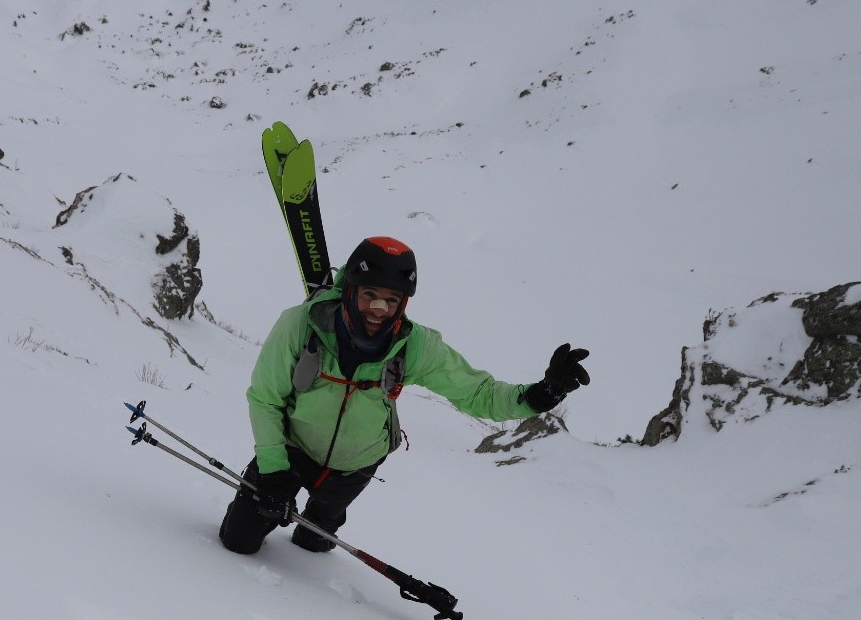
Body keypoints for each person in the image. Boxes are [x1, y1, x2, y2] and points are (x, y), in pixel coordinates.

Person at [218, 236, 590, 555]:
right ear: (350, 291)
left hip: (355, 464)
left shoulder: (414, 346)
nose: (379, 310)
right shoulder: (300, 324)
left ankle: (319, 532)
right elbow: (265, 398)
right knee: (238, 541)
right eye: (369, 295)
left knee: (314, 545)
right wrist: (271, 470)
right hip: (292, 449)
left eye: (391, 300)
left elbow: (479, 394)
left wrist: (542, 394)